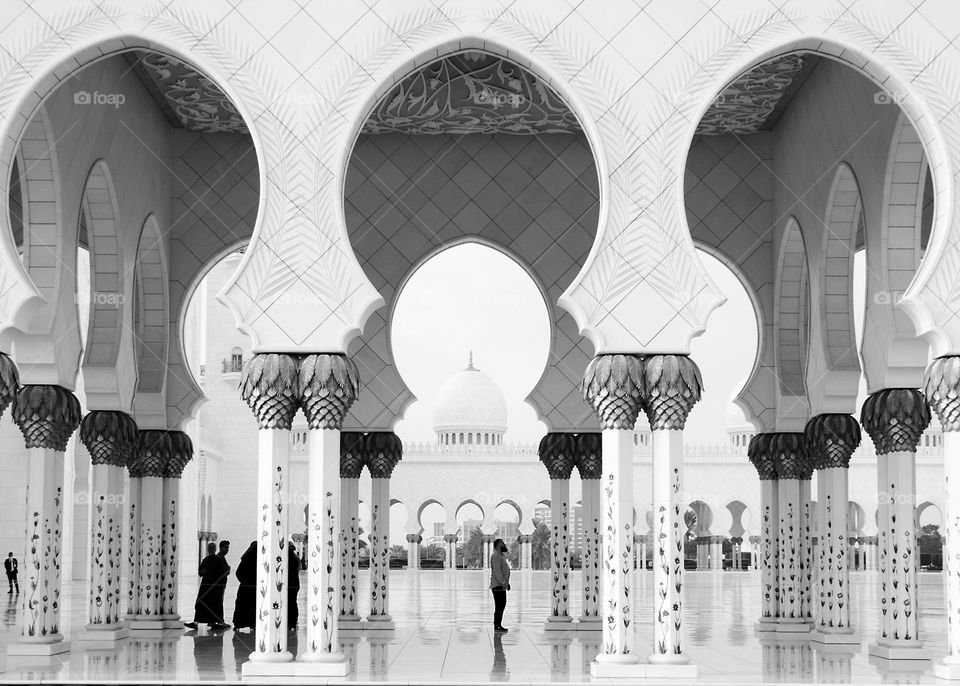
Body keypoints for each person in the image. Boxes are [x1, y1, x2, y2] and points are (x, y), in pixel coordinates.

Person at [186, 540, 231, 630]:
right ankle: (198, 622)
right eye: (210, 548)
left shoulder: (217, 559)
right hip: (206, 586)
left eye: (212, 548)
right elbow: (201, 571)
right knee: (202, 604)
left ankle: (215, 622)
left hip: (214, 587)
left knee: (214, 604)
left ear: (215, 549)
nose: (211, 549)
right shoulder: (207, 559)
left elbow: (222, 572)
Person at [232, 541, 257, 632]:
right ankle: (252, 624)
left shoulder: (245, 560)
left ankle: (239, 624)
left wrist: (244, 581)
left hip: (244, 588)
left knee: (241, 606)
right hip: (253, 588)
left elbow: (238, 573)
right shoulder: (258, 561)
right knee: (252, 606)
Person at [489, 537, 511, 632]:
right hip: (498, 585)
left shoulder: (500, 555)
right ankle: (497, 625)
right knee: (499, 605)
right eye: (502, 543)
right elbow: (497, 571)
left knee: (501, 605)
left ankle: (498, 625)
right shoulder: (496, 556)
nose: (504, 545)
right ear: (498, 545)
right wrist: (502, 582)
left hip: (501, 585)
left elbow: (503, 570)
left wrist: (507, 583)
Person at [288, 545, 301, 629]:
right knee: (293, 602)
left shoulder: (287, 559)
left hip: (289, 584)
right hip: (295, 584)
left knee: (290, 603)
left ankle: (290, 620)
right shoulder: (296, 558)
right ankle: (293, 620)